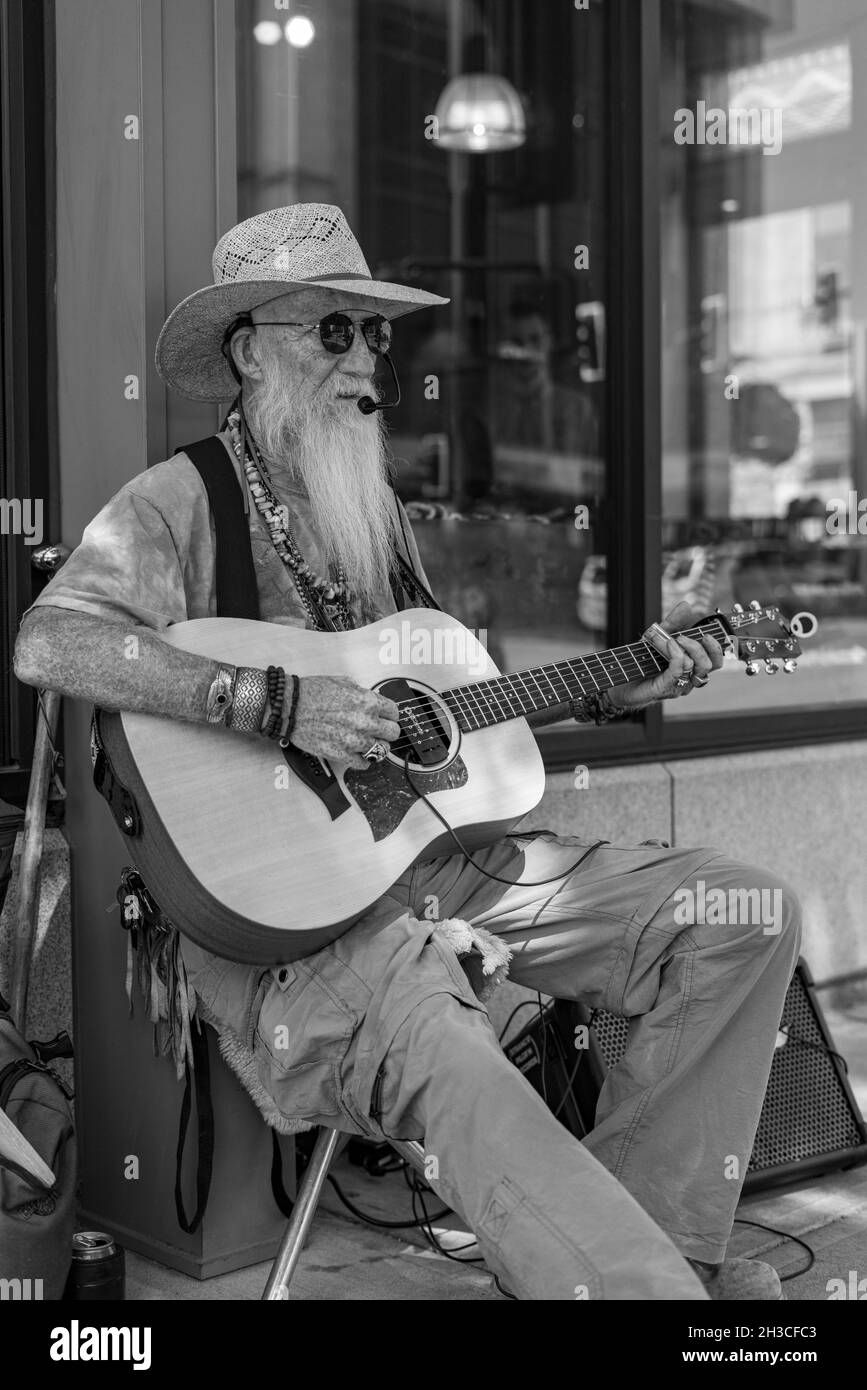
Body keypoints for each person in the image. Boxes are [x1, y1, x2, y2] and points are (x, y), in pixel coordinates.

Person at [14, 203, 800, 1301]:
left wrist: (616, 687)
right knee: (435, 1017)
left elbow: (457, 718)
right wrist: (271, 702)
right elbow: (50, 640)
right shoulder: (176, 501)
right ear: (249, 351)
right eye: (330, 331)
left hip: (451, 870)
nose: (365, 360)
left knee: (742, 913)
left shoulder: (372, 513)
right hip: (291, 936)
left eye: (374, 333)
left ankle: (652, 1257)